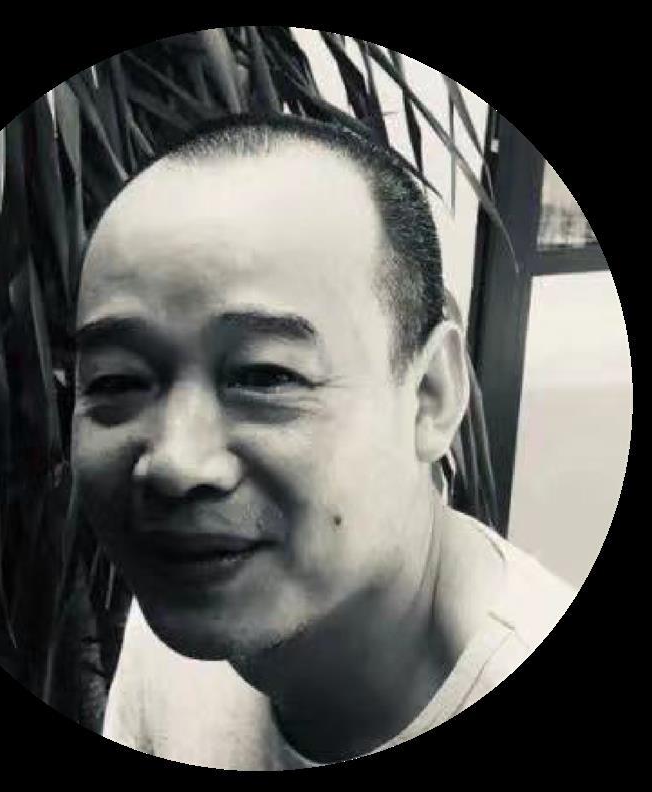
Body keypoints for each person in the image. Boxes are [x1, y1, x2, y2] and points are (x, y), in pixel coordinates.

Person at [70, 114, 575, 770]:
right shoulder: (197, 590)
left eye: (264, 376)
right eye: (117, 380)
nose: (173, 463)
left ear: (430, 397)